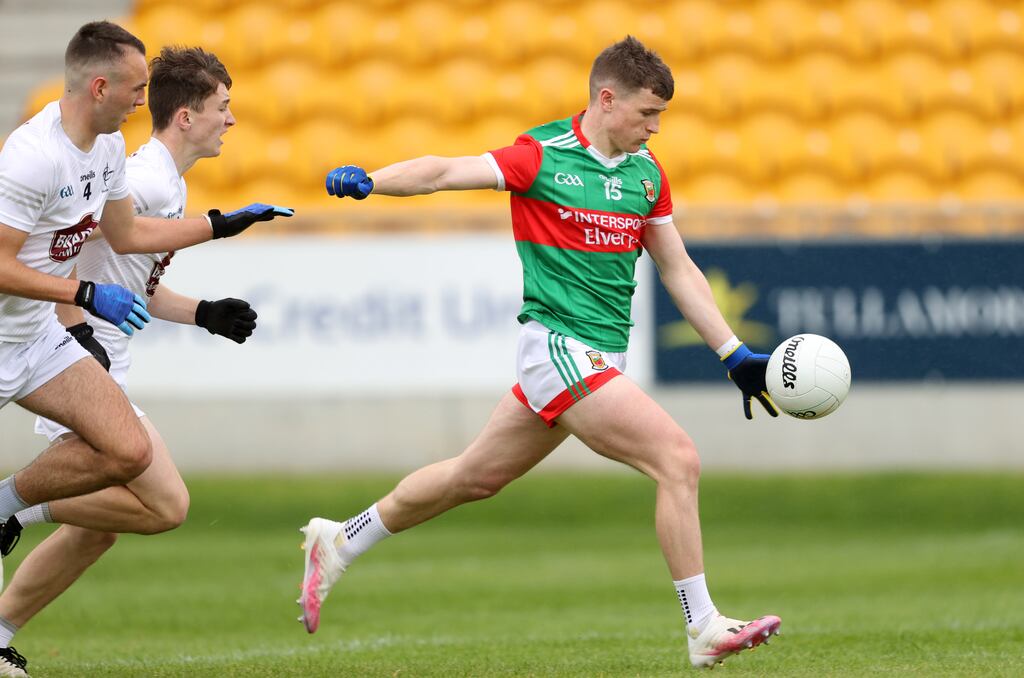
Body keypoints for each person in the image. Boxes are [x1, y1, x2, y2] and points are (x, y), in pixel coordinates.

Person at [301, 36, 781, 670]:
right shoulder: (542, 156)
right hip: (555, 346)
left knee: (473, 478)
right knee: (677, 459)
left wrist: (733, 353)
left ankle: (339, 541)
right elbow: (447, 170)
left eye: (661, 116)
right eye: (646, 114)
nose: (655, 128)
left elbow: (678, 268)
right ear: (606, 101)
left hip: (596, 358)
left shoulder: (647, 174)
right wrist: (372, 180)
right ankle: (704, 626)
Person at [0, 22, 290, 676]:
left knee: (114, 502)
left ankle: (0, 603)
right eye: (223, 110)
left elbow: (126, 250)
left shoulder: (112, 156)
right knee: (160, 504)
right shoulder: (48, 159)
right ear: (101, 85)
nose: (141, 101)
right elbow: (48, 262)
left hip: (47, 339)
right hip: (55, 332)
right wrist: (80, 311)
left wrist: (208, 288)